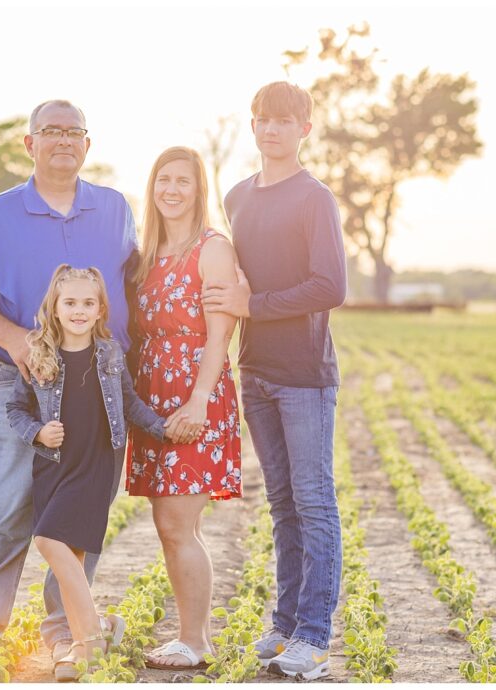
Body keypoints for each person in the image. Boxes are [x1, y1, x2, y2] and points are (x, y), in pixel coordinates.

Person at [0, 100, 140, 678]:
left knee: (81, 511)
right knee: (8, 505)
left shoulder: (114, 208)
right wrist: (18, 341)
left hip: (101, 383)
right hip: (25, 380)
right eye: (50, 131)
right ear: (29, 144)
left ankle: (66, 634)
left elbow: (136, 283)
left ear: (88, 144)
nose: (62, 141)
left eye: (73, 132)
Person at [202, 81, 347, 681]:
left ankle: (314, 636)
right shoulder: (236, 197)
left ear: (304, 129)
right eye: (261, 120)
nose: (270, 130)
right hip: (254, 371)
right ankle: (285, 624)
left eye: (283, 121)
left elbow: (330, 286)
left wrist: (254, 304)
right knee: (282, 504)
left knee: (314, 502)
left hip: (305, 376)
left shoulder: (315, 199)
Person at [5, 265, 190, 681]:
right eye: (70, 302)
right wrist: (37, 432)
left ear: (101, 308)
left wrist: (163, 427)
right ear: (54, 306)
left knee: (48, 541)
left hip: (96, 463)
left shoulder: (108, 353)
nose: (79, 310)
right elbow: (15, 408)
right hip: (53, 464)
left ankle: (88, 640)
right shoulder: (38, 352)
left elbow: (130, 404)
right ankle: (92, 634)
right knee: (68, 554)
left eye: (88, 303)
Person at [126, 146, 242, 671]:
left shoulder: (212, 249)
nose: (171, 190)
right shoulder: (146, 255)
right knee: (166, 522)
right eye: (163, 180)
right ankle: (188, 637)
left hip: (196, 396)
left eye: (183, 182)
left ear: (199, 191)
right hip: (152, 399)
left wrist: (197, 400)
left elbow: (221, 337)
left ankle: (195, 641)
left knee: (179, 523)